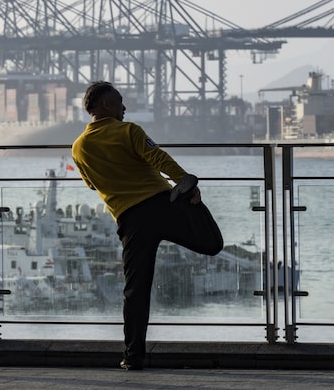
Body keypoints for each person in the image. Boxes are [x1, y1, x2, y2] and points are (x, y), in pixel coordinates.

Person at [71, 81, 223, 371]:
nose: (124, 107)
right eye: (120, 101)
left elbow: (91, 185)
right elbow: (158, 157)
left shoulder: (78, 148)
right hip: (163, 205)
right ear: (106, 105)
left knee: (136, 290)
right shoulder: (129, 131)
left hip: (130, 221)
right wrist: (185, 181)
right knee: (212, 243)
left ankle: (133, 357)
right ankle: (191, 200)